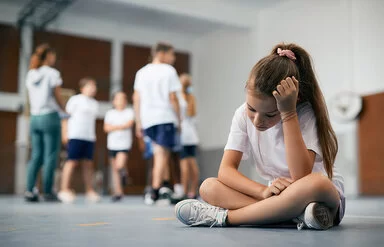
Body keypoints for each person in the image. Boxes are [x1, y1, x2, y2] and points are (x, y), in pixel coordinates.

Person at [175, 43, 345, 230]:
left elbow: (301, 175)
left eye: (270, 114)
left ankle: (226, 217)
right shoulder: (240, 114)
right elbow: (226, 171)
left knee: (316, 182)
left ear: (292, 100)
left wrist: (288, 114)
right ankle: (293, 215)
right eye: (251, 109)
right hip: (277, 196)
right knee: (208, 187)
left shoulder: (304, 113)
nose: (257, 121)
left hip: (317, 195)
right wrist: (262, 191)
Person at [133, 42, 181, 205]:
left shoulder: (141, 72)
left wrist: (138, 122)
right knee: (161, 154)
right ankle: (153, 191)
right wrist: (179, 119)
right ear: (161, 53)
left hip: (148, 120)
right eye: (171, 54)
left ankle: (165, 187)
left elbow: (136, 98)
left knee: (161, 152)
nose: (173, 58)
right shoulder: (169, 71)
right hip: (164, 117)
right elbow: (173, 98)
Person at [25, 44, 66, 202]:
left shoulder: (31, 73)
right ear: (48, 56)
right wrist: (65, 109)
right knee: (50, 155)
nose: (54, 58)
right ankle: (48, 191)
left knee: (36, 154)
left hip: (34, 118)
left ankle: (30, 190)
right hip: (49, 117)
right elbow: (57, 95)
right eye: (53, 55)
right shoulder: (52, 73)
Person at [58, 78, 100, 203]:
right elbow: (65, 117)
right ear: (83, 88)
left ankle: (90, 190)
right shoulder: (75, 100)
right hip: (75, 135)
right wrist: (64, 133)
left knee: (88, 164)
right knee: (71, 162)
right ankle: (64, 189)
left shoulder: (94, 104)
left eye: (94, 86)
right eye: (91, 86)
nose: (93, 89)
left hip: (89, 137)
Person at [171, 74, 200, 204]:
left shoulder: (178, 98)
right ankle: (192, 192)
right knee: (192, 165)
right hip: (192, 136)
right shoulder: (191, 99)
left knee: (185, 166)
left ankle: (183, 192)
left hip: (183, 135)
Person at [104, 92, 135, 202]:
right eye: (118, 99)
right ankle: (118, 192)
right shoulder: (110, 113)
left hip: (124, 144)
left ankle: (124, 174)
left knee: (119, 165)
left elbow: (129, 124)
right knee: (114, 170)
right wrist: (121, 126)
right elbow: (106, 128)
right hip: (112, 144)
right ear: (114, 101)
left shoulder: (129, 112)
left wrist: (114, 127)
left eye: (123, 99)